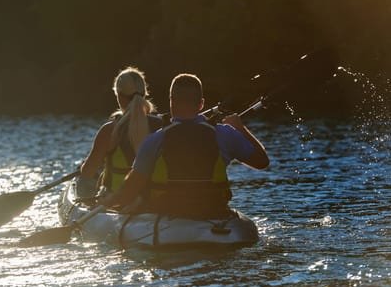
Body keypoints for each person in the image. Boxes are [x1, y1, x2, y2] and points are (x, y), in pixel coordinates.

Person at [99, 73, 269, 219]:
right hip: (213, 213)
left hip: (168, 216)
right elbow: (262, 162)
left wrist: (108, 201)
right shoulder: (225, 134)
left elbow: (130, 190)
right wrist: (240, 128)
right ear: (201, 104)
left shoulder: (155, 140)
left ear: (171, 101)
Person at [76, 67, 162, 197]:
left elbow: (88, 171)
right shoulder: (161, 125)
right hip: (152, 199)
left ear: (119, 96)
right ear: (144, 94)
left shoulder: (109, 130)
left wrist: (83, 167)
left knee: (83, 181)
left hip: (116, 201)